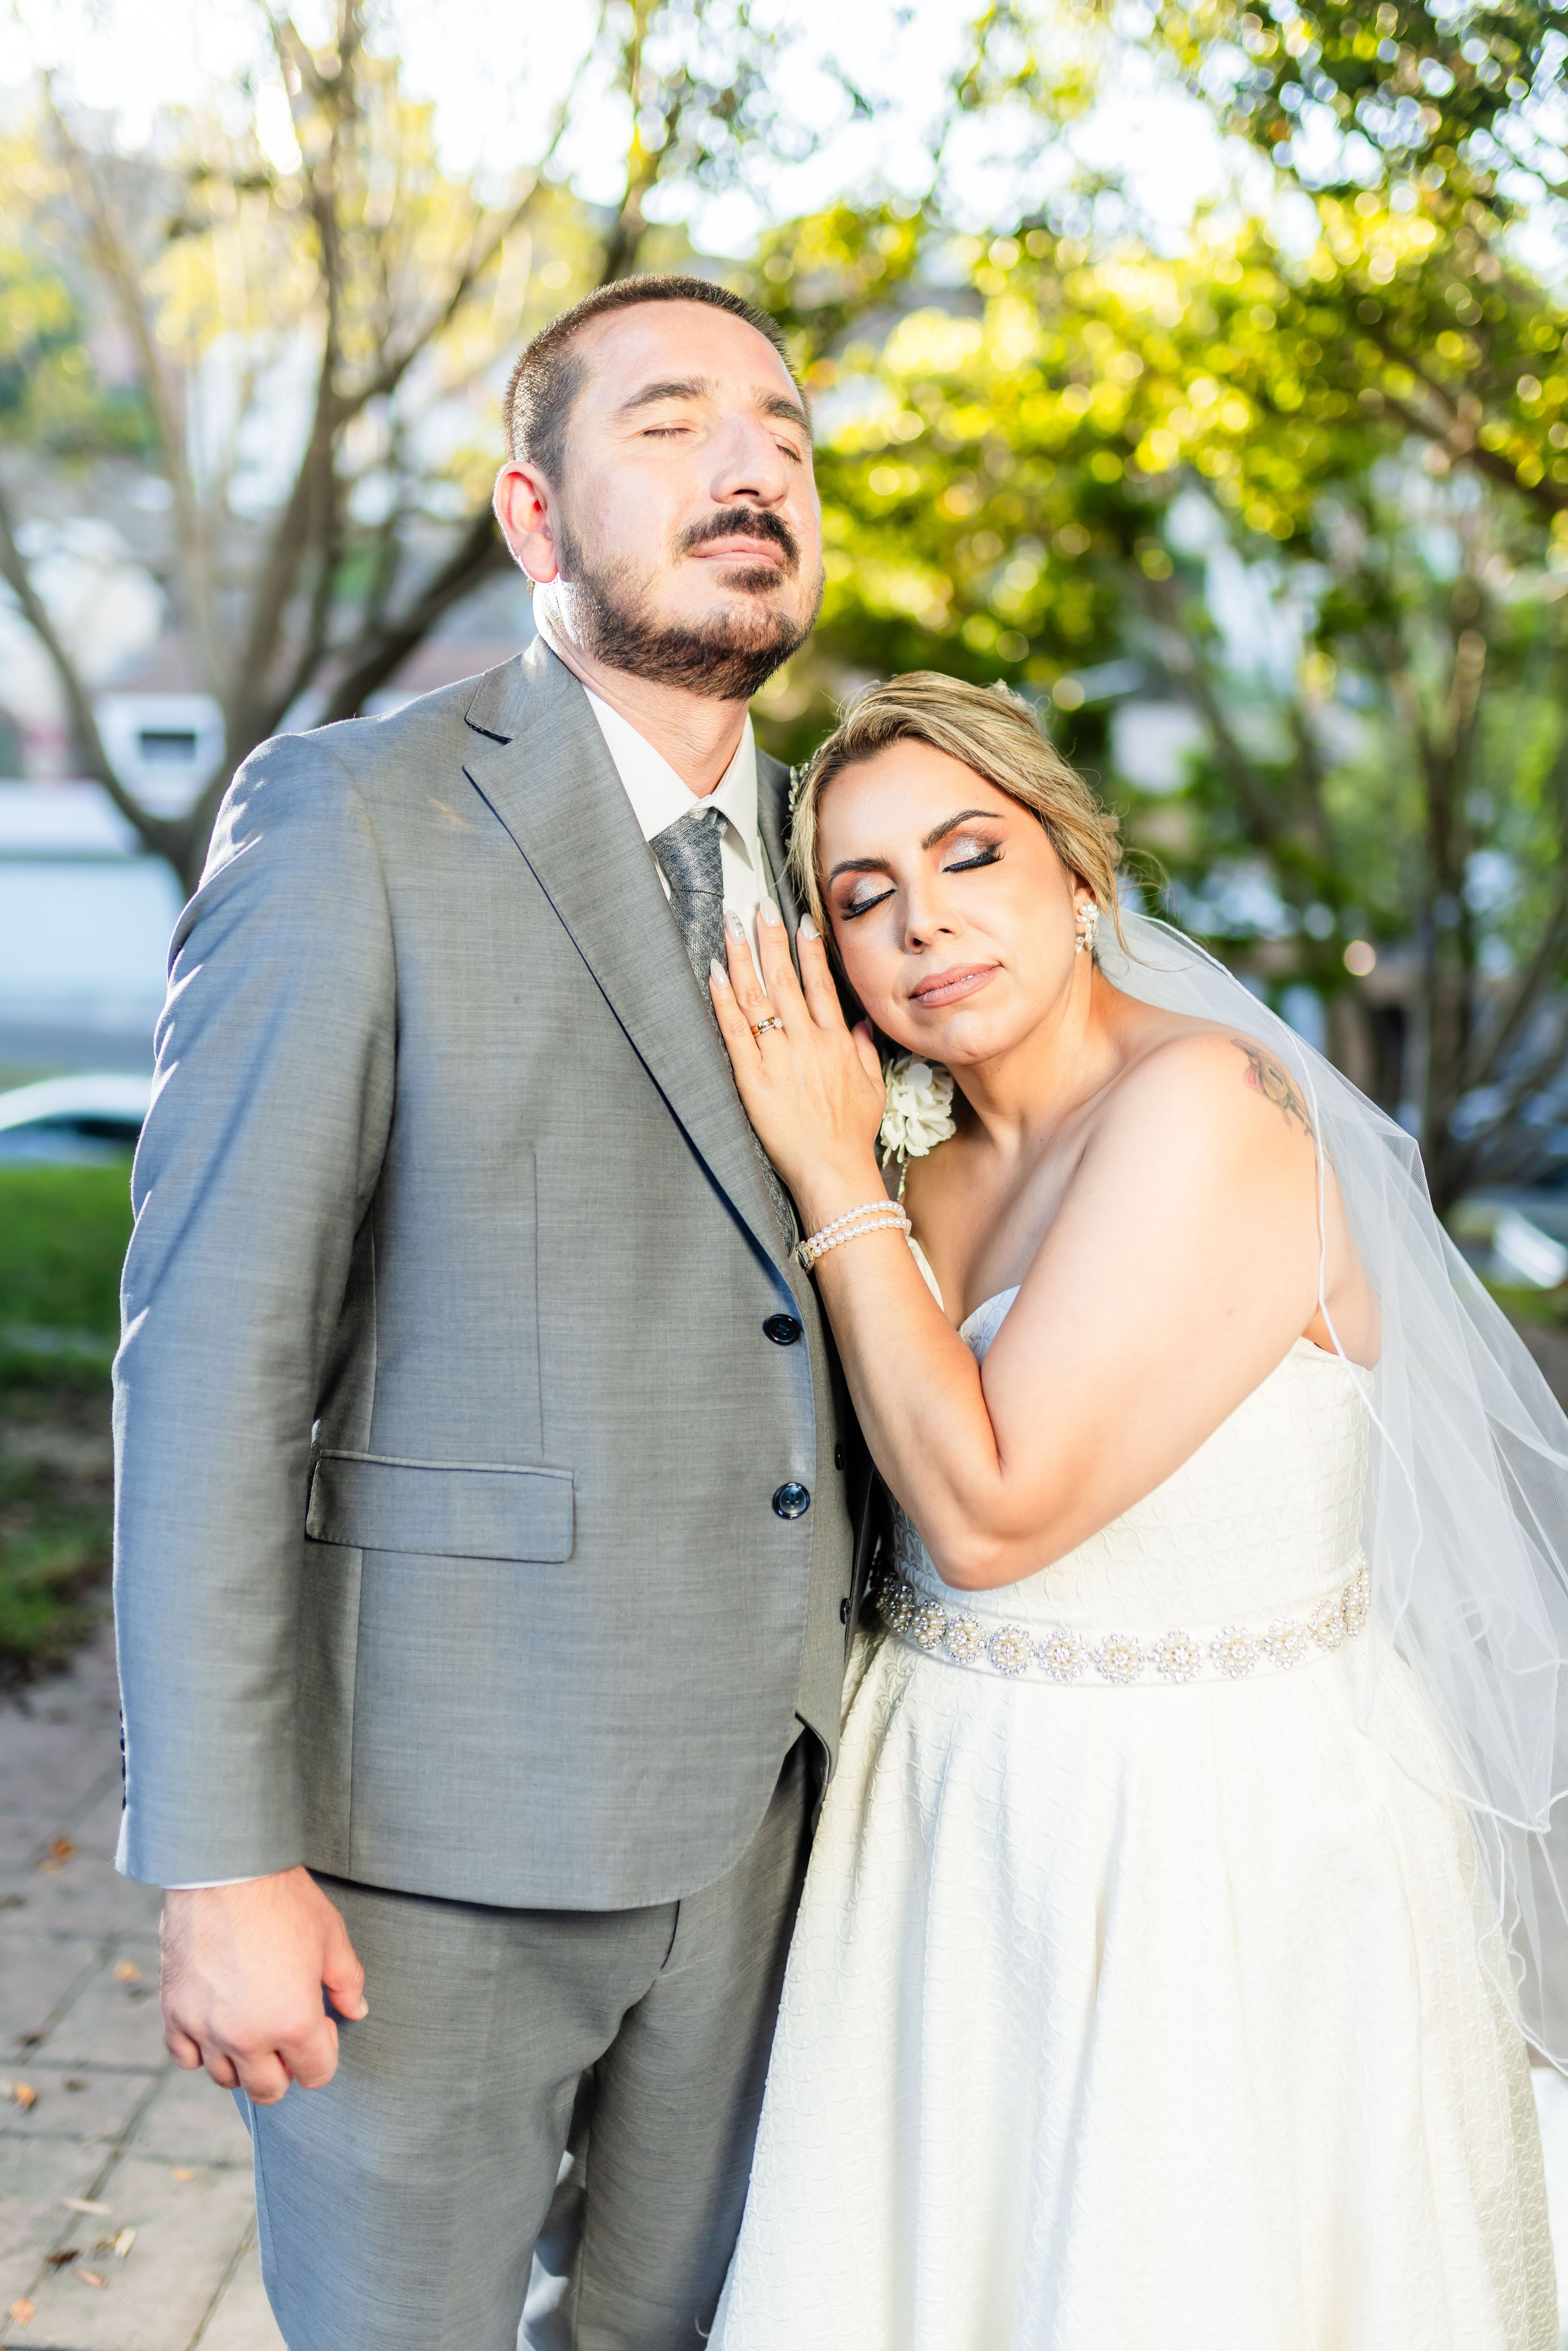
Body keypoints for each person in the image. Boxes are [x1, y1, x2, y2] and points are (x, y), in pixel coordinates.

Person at [112, 274, 876, 2351]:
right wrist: (220, 1862)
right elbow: (213, 1362)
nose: (751, 469)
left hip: (784, 1822)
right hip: (426, 1838)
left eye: (786, 436)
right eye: (674, 426)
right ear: (534, 517)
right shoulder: (350, 817)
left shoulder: (848, 861)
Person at [702, 671, 1567, 2350]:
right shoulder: (924, 1165)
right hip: (945, 1825)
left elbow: (992, 1515)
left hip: (1203, 1852)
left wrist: (821, 1179)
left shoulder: (1206, 1110)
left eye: (972, 857)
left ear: (1080, 874)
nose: (925, 924)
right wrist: (854, 1170)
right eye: (863, 897)